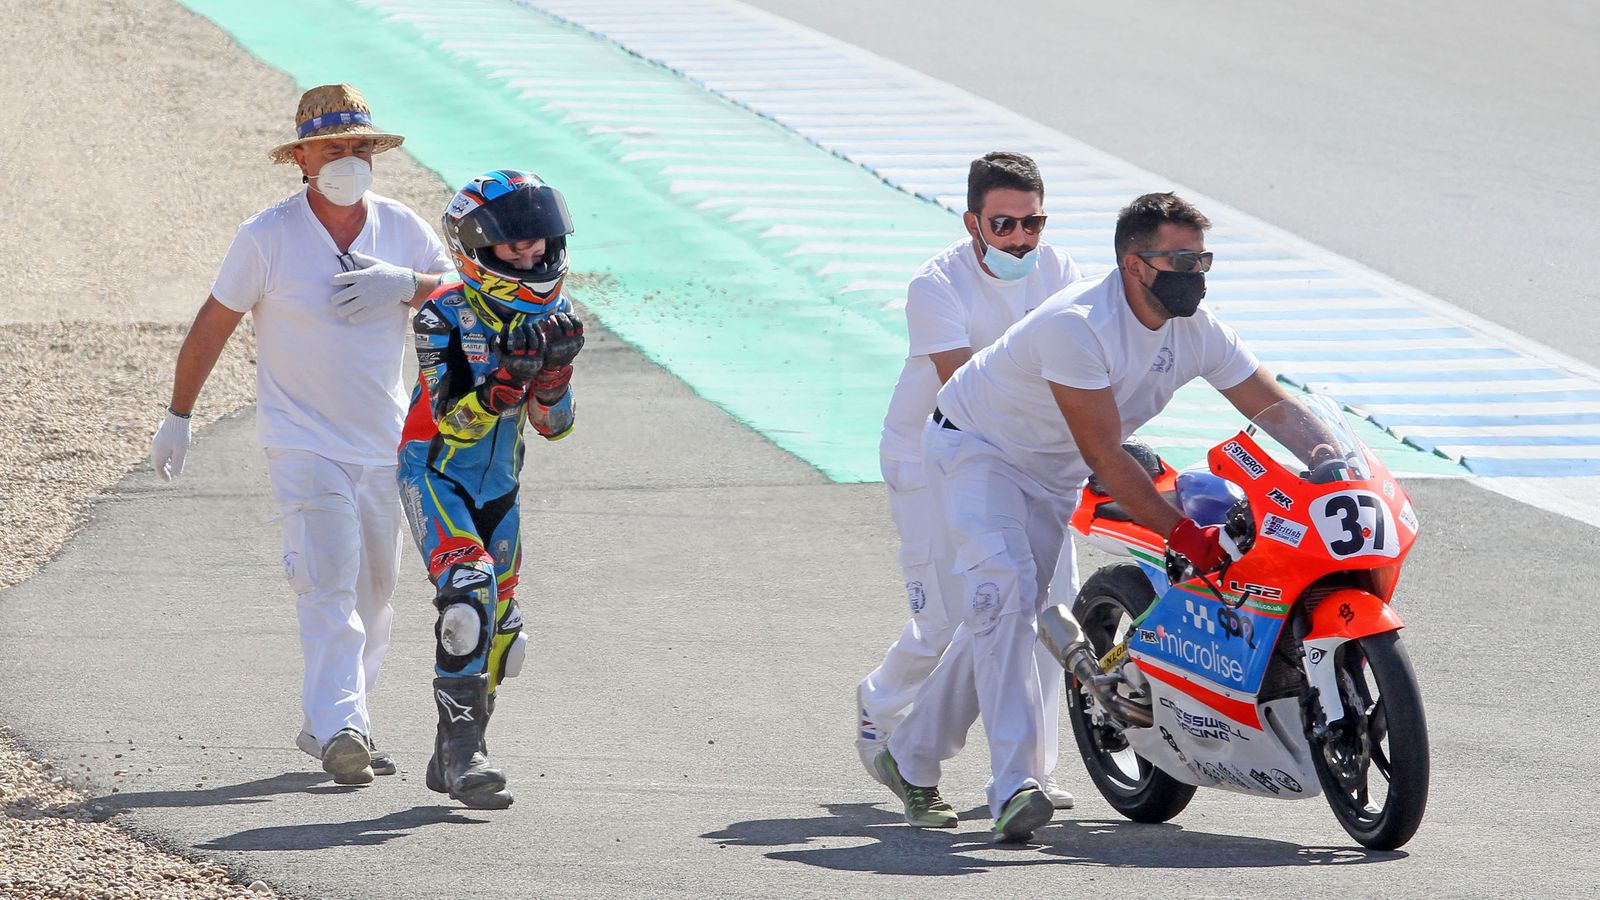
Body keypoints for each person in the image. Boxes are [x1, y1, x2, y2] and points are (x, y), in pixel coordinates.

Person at [877, 192, 1297, 842]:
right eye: (1181, 258)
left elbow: (1274, 408)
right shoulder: (1079, 325)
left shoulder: (1198, 329)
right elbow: (1106, 452)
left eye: (1203, 257)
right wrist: (1183, 536)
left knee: (1006, 611)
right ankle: (1016, 785)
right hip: (977, 448)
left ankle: (909, 755)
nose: (1197, 272)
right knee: (1006, 593)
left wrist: (1330, 460)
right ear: (1135, 265)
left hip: (1051, 470)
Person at [148, 84, 451, 785]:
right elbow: (213, 325)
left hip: (384, 445)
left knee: (376, 595)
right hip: (302, 442)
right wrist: (179, 415)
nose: (348, 158)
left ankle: (342, 722)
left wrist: (406, 284)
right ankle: (341, 724)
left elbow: (463, 296)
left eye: (358, 147)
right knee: (326, 578)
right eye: (333, 147)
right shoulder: (268, 236)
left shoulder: (402, 228)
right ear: (303, 158)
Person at [857, 152, 1081, 823]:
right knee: (953, 618)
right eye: (1003, 223)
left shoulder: (1061, 271)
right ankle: (883, 715)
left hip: (1026, 454)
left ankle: (1031, 772)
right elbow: (970, 389)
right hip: (931, 455)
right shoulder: (936, 285)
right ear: (973, 221)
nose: (1020, 238)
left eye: (1032, 223)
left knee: (1048, 603)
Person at [397, 169, 585, 810]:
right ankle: (467, 758)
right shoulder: (441, 313)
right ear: (476, 249)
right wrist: (504, 382)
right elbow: (452, 419)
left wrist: (553, 377)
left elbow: (554, 429)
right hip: (436, 473)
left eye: (538, 243)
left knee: (505, 632)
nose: (530, 255)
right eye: (514, 247)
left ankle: (450, 755)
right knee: (468, 590)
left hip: (501, 485)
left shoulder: (556, 314)